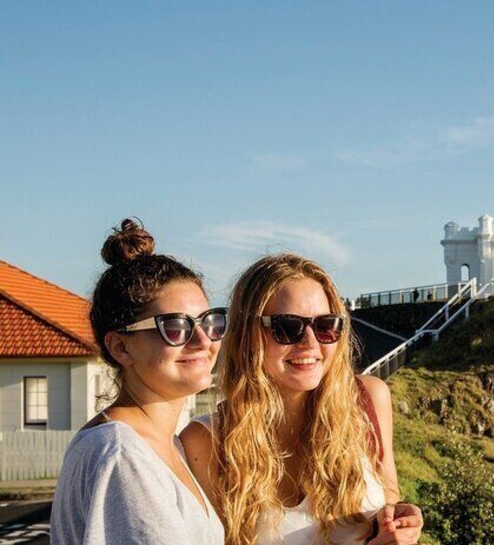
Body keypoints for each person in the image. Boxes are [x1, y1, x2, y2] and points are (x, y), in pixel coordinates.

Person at [180, 253, 423, 545]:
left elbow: (389, 500)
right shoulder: (205, 443)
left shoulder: (369, 400)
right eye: (287, 327)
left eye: (325, 326)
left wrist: (400, 523)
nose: (310, 342)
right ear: (248, 335)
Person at [50, 219, 225, 544]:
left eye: (209, 321)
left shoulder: (162, 446)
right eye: (175, 327)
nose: (204, 340)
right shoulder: (122, 455)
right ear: (121, 346)